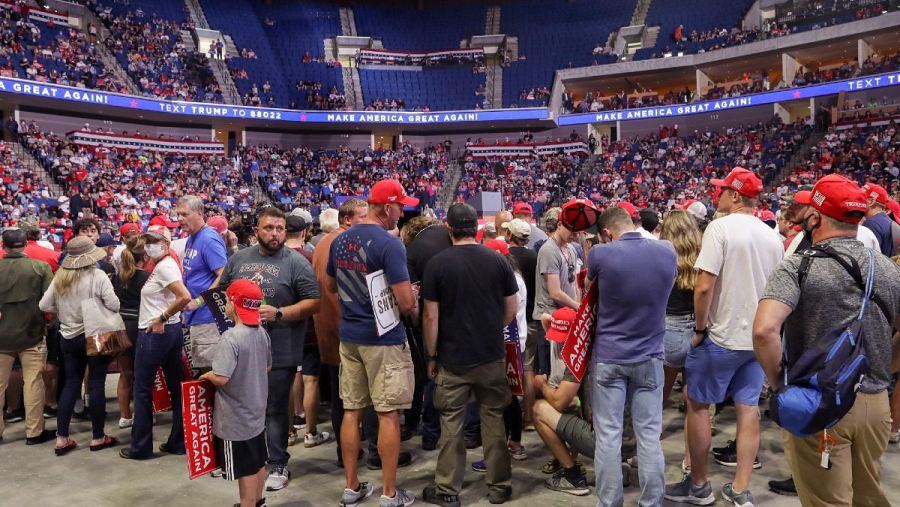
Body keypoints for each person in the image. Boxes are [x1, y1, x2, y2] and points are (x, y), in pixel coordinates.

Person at [753, 174, 900, 506]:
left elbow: (764, 331)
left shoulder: (798, 266)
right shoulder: (888, 269)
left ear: (815, 217)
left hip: (820, 400)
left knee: (827, 500)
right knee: (868, 495)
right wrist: (885, 364)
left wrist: (780, 386)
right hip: (876, 404)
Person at [665, 167, 783, 506]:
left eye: (722, 191)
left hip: (721, 335)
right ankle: (741, 488)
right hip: (758, 340)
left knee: (698, 405)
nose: (717, 196)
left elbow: (704, 287)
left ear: (735, 195)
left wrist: (700, 330)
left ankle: (699, 486)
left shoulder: (720, 227)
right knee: (748, 409)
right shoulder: (771, 235)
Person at [326, 180, 419, 507]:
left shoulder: (340, 240)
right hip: (383, 339)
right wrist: (414, 303)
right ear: (386, 207)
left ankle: (352, 487)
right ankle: (389, 494)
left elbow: (331, 285)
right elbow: (406, 303)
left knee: (351, 410)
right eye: (400, 206)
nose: (403, 211)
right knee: (388, 413)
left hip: (350, 336)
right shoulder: (390, 243)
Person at [421, 203, 518, 506]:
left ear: (448, 229)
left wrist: (432, 355)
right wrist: (492, 328)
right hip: (491, 355)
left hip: (453, 358)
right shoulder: (497, 260)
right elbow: (512, 308)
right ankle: (499, 486)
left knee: (452, 425)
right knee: (494, 420)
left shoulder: (437, 264)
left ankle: (448, 490)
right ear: (475, 229)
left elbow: (431, 318)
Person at [217, 206, 320, 492]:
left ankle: (277, 463)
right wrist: (226, 317)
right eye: (269, 228)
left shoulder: (297, 263)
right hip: (242, 348)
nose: (275, 234)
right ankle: (244, 461)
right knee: (241, 406)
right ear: (256, 231)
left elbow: (314, 302)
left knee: (274, 408)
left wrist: (279, 313)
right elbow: (222, 291)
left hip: (281, 348)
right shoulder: (239, 259)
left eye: (280, 229)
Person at [587, 206, 677, 506]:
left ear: (607, 233)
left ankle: (609, 502)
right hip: (650, 355)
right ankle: (651, 502)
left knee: (609, 437)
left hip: (610, 356)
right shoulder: (666, 251)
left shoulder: (601, 254)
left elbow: (589, 290)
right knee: (649, 437)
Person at [39, 236, 120, 455]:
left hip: (68, 336)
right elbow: (114, 304)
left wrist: (65, 310)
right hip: (95, 334)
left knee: (71, 384)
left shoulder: (60, 277)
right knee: (95, 384)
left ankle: (62, 437)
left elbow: (44, 304)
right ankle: (97, 436)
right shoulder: (98, 275)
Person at [119, 225, 191, 460]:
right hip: (169, 332)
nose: (150, 244)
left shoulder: (165, 266)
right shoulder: (162, 265)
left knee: (141, 389)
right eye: (148, 240)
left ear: (167, 243)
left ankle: (140, 446)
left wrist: (162, 317)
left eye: (155, 240)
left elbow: (184, 296)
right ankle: (177, 441)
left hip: (156, 333)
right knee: (174, 387)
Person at [201, 279, 272, 507]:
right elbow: (267, 366)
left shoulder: (230, 337)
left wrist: (207, 376)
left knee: (245, 468)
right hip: (256, 411)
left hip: (235, 419)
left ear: (232, 303)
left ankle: (247, 504)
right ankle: (258, 501)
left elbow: (222, 377)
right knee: (258, 460)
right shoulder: (261, 332)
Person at [312, 198, 368, 466]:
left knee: (340, 398)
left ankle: (345, 453)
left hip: (328, 330)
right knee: (354, 400)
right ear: (347, 220)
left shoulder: (323, 242)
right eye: (363, 217)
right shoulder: (345, 244)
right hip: (344, 331)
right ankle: (353, 453)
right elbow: (339, 294)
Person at [0, 229, 53, 444]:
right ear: (25, 244)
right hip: (32, 331)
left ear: (4, 245)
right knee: (33, 382)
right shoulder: (40, 267)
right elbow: (50, 302)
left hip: (2, 335)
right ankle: (34, 432)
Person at [532, 307, 592, 496]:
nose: (560, 341)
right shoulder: (586, 343)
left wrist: (541, 387)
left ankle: (572, 474)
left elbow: (560, 402)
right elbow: (545, 319)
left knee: (541, 408)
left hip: (597, 432)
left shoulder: (577, 356)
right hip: (626, 436)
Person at [285, 214, 331, 448]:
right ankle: (311, 433)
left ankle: (289, 432)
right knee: (311, 379)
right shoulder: (309, 258)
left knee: (289, 377)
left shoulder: (275, 260)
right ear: (304, 233)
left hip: (282, 327)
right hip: (308, 327)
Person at [177, 196, 228, 372]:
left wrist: (199, 301)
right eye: (178, 214)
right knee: (203, 373)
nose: (179, 219)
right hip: (196, 317)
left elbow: (224, 276)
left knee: (211, 372)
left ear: (199, 214)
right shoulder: (193, 236)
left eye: (184, 214)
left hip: (208, 318)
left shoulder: (208, 239)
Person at [659, 210, 702, 403]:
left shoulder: (661, 256)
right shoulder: (703, 255)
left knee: (661, 390)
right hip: (699, 326)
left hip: (670, 326)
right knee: (694, 393)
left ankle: (652, 432)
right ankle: (697, 431)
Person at [533, 207, 580, 376]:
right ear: (560, 224)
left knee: (567, 371)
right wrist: (579, 307)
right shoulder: (549, 250)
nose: (574, 235)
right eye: (571, 230)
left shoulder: (572, 249)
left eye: (577, 231)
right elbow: (554, 292)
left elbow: (574, 283)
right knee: (552, 372)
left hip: (566, 315)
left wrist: (577, 306)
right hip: (549, 318)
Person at [503, 218, 538, 427]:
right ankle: (529, 417)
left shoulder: (505, 258)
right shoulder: (535, 256)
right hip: (531, 318)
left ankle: (514, 420)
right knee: (528, 370)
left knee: (511, 373)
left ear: (510, 235)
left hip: (513, 323)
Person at [112, 236, 150, 429]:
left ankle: (125, 416)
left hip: (121, 325)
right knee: (142, 374)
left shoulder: (118, 277)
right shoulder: (146, 277)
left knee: (125, 373)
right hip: (140, 326)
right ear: (145, 256)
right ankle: (142, 415)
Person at [861, 182, 895, 256]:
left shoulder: (871, 224)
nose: (856, 200)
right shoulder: (886, 220)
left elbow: (868, 259)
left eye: (860, 197)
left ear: (870, 201)